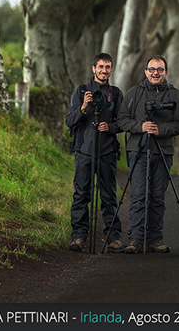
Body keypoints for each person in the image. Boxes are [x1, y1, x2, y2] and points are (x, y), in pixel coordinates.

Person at [118, 56, 179, 253]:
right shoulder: (134, 93)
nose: (155, 73)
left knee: (157, 197)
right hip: (138, 150)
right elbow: (122, 120)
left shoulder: (175, 95)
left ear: (166, 72)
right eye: (151, 69)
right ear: (145, 71)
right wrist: (140, 126)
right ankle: (135, 239)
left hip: (163, 151)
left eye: (160, 69)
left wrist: (160, 130)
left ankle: (155, 239)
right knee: (139, 195)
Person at [65, 53, 124, 252]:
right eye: (100, 67)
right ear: (93, 69)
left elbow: (123, 122)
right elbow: (69, 121)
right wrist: (83, 107)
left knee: (109, 196)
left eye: (107, 67)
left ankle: (113, 237)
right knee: (81, 195)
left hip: (107, 151)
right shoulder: (81, 91)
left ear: (112, 70)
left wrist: (110, 127)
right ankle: (79, 236)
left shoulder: (115, 94)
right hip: (84, 151)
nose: (104, 70)